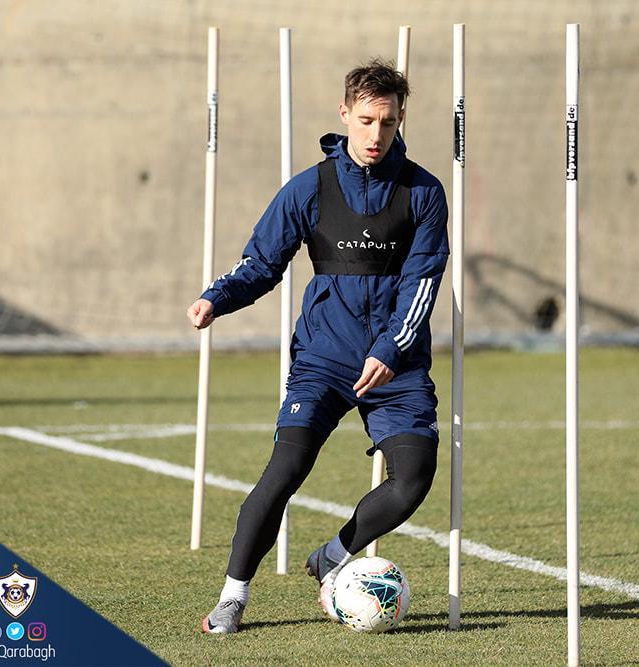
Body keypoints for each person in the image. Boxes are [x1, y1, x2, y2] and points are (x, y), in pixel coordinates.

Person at [187, 59, 449, 634]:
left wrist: (390, 349)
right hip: (324, 358)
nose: (376, 134)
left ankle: (333, 555)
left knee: (414, 477)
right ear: (344, 114)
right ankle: (233, 597)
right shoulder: (308, 188)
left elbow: (423, 281)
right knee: (284, 470)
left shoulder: (424, 191)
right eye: (366, 120)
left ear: (401, 118)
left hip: (397, 362)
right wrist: (216, 298)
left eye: (388, 121)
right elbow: (262, 263)